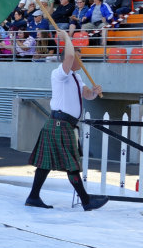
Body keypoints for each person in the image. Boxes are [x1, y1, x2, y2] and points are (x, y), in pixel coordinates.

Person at [23, 29, 108, 211]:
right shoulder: (59, 74)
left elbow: (87, 95)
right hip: (59, 124)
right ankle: (86, 201)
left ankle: (33, 197)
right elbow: (68, 56)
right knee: (71, 165)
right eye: (79, 57)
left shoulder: (77, 77)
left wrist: (93, 91)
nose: (80, 60)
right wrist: (66, 37)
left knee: (45, 164)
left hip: (63, 125)